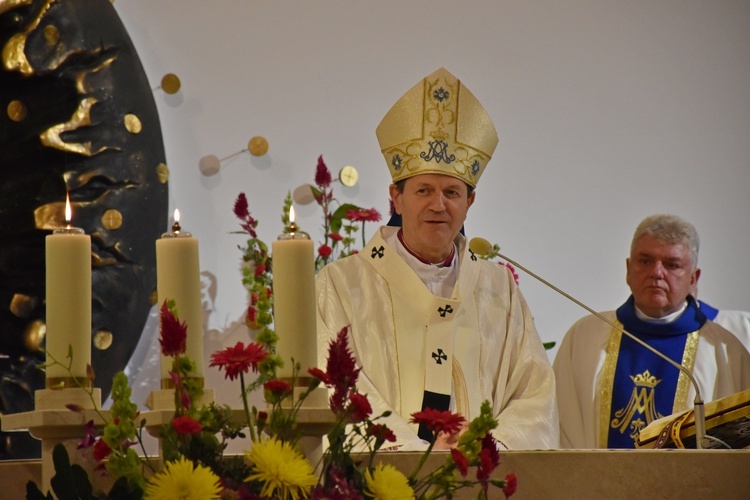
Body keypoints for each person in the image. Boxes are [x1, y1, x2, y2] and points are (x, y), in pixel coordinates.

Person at [316, 68, 559, 450]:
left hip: (480, 477)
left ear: (470, 202)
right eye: (423, 190)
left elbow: (535, 395)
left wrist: (486, 443)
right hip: (384, 478)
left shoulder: (499, 289)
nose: (438, 205)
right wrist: (417, 454)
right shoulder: (342, 284)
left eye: (452, 192)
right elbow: (334, 386)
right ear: (396, 198)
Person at [553, 214, 750, 448]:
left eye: (671, 265)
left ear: (693, 279)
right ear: (628, 269)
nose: (657, 272)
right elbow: (558, 428)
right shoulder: (585, 337)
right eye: (645, 261)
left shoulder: (725, 353)